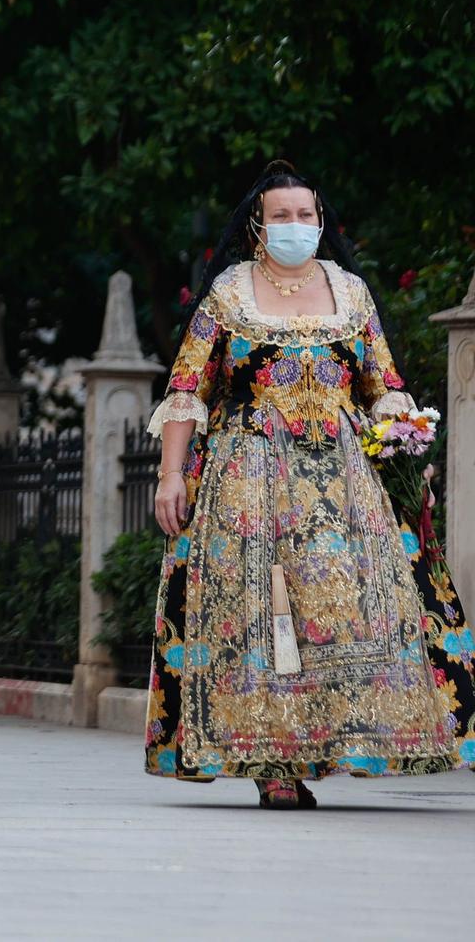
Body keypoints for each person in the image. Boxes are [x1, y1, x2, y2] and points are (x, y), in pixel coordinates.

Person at [146, 164, 474, 807]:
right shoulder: (227, 297)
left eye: (306, 215)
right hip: (248, 481)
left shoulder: (351, 293)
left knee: (347, 614)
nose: (296, 226)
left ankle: (345, 738)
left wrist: (405, 450)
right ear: (256, 225)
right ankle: (277, 765)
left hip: (347, 481)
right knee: (266, 619)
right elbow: (187, 389)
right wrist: (168, 477)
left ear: (321, 221)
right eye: (282, 215)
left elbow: (384, 385)